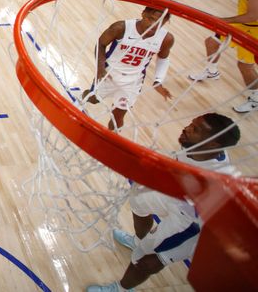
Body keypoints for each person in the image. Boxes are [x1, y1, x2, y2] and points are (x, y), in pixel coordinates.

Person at [87, 113, 241, 292]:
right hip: (179, 195)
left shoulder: (218, 179)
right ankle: (138, 240)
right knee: (139, 199)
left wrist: (165, 251)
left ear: (214, 144)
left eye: (195, 129)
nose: (187, 128)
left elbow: (201, 225)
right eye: (191, 123)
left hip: (191, 225)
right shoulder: (196, 146)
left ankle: (121, 289)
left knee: (145, 260)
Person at [83, 7, 174, 130]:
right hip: (109, 73)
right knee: (93, 100)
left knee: (118, 117)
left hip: (132, 82)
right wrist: (100, 68)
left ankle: (111, 140)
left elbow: (163, 59)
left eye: (159, 23)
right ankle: (84, 94)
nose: (154, 25)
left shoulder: (166, 39)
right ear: (143, 14)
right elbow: (101, 44)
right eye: (151, 19)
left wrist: (158, 81)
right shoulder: (121, 27)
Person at [189, 0, 258, 113]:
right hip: (242, 25)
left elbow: (253, 16)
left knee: (245, 66)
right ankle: (212, 71)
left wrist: (224, 20)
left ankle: (256, 97)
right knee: (212, 42)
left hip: (252, 30)